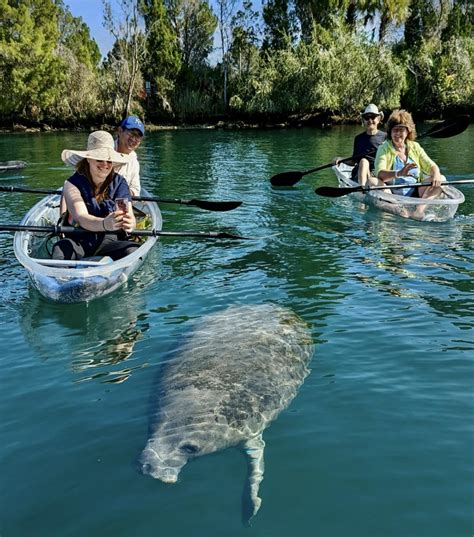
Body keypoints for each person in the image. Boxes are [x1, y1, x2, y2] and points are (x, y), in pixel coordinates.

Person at [52, 130, 139, 261]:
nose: (105, 165)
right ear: (88, 159)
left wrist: (131, 224)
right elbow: (82, 217)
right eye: (100, 159)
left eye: (109, 161)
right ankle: (62, 278)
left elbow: (129, 213)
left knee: (133, 250)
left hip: (110, 243)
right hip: (79, 242)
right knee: (60, 248)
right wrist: (105, 224)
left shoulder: (120, 182)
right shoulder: (71, 184)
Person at [374, 109, 445, 203]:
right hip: (392, 195)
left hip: (416, 193)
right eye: (395, 130)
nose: (398, 133)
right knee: (373, 181)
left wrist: (436, 174)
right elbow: (380, 174)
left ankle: (419, 211)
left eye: (401, 130)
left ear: (408, 132)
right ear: (390, 132)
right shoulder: (384, 148)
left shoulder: (415, 147)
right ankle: (397, 209)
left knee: (441, 178)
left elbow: (431, 165)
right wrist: (399, 173)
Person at [337, 104, 386, 186]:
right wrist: (340, 160)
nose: (370, 120)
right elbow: (354, 160)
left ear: (378, 119)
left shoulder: (386, 137)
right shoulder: (358, 139)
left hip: (377, 174)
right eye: (367, 118)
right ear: (363, 121)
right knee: (363, 162)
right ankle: (362, 188)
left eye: (373, 117)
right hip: (360, 172)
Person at [115, 115, 145, 197]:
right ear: (120, 131)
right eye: (131, 133)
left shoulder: (134, 162)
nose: (134, 139)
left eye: (138, 136)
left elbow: (135, 189)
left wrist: (124, 193)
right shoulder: (105, 150)